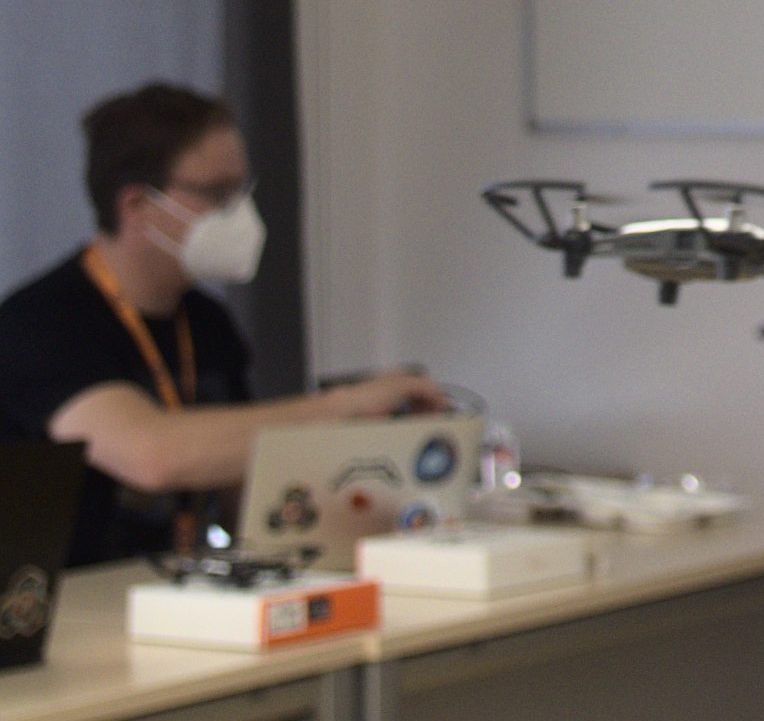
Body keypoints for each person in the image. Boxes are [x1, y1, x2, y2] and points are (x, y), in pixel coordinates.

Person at [0, 82, 445, 566]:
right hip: (69, 597)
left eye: (241, 191)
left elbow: (246, 499)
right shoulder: (40, 322)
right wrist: (343, 407)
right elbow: (151, 455)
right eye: (217, 192)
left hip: (182, 582)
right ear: (137, 205)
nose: (239, 212)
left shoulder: (206, 322)